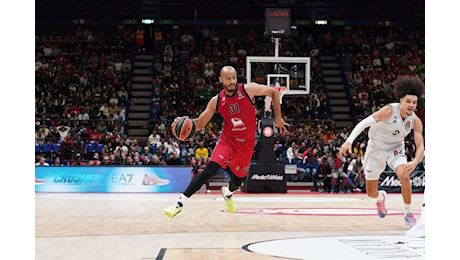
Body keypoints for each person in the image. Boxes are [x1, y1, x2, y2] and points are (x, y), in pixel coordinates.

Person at [164, 65, 289, 219]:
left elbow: (272, 92)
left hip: (246, 144)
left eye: (234, 78)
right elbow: (200, 123)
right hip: (228, 140)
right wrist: (185, 122)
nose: (232, 81)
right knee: (210, 170)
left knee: (238, 180)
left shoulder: (248, 90)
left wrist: (278, 118)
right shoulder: (216, 101)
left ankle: (228, 193)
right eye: (228, 78)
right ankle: (179, 203)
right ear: (221, 80)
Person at [338, 76, 425, 227]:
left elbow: (420, 146)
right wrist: (349, 141)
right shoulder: (389, 111)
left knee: (404, 175)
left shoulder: (416, 121)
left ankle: (408, 212)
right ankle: (380, 198)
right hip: (375, 149)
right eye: (408, 101)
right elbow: (364, 123)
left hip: (395, 149)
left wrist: (415, 161)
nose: (411, 105)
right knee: (370, 192)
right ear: (401, 101)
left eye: (414, 102)